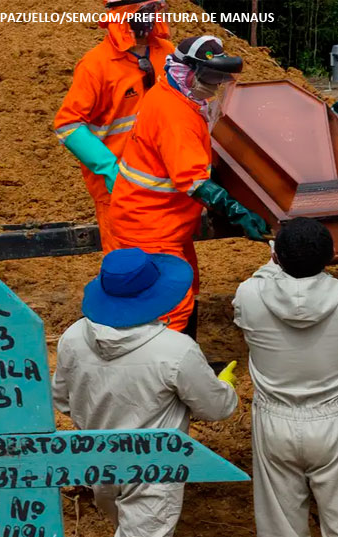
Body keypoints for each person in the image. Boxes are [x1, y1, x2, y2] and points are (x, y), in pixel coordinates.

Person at [51, 247, 239, 537]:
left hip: (98, 460)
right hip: (153, 468)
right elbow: (216, 409)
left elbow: (60, 399)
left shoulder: (72, 338)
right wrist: (226, 386)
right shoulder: (175, 350)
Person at [232, 217, 338, 537]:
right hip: (334, 421)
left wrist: (275, 256)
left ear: (277, 258)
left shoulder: (249, 295)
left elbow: (262, 278)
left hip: (274, 422)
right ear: (331, 255)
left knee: (280, 533)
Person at [110, 36, 270, 338]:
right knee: (172, 299)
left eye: (220, 75)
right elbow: (194, 181)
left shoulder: (176, 95)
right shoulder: (175, 115)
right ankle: (170, 373)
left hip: (166, 217)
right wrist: (238, 211)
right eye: (210, 76)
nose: (216, 84)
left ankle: (187, 358)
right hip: (150, 223)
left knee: (188, 282)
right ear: (186, 70)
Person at [54, 0, 174, 252]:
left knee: (174, 257)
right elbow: (68, 124)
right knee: (128, 265)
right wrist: (110, 170)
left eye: (155, 9)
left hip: (165, 179)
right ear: (124, 14)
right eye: (146, 11)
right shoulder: (96, 65)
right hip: (120, 187)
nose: (152, 17)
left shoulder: (167, 53)